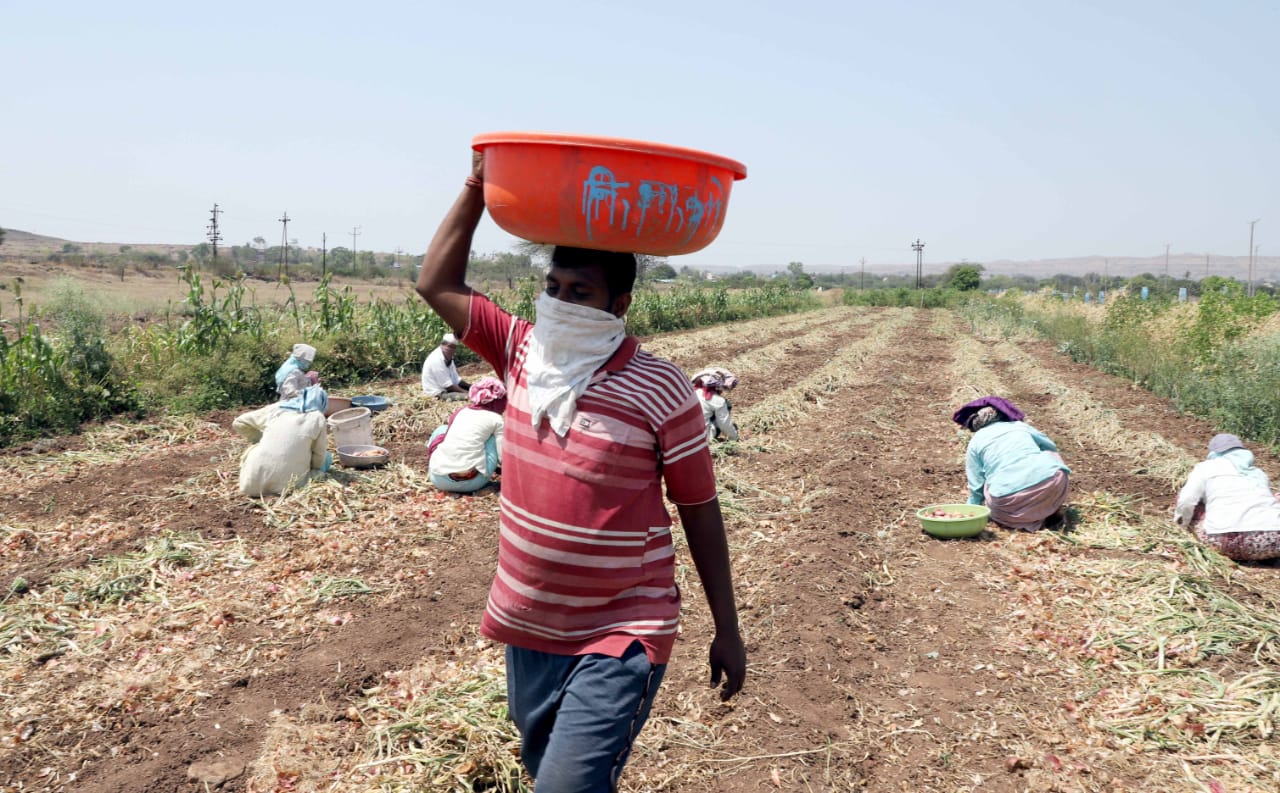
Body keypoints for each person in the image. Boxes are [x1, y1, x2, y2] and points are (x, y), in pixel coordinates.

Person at [414, 150, 746, 792]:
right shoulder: (520, 354)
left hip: (623, 627)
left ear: (618, 303)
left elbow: (700, 510)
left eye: (582, 293)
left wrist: (727, 628)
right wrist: (478, 187)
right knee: (549, 772)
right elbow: (437, 282)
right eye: (554, 289)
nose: (562, 303)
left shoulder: (661, 389)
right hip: (529, 622)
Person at [953, 395, 1070, 531]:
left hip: (1008, 502)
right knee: (1051, 455)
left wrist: (970, 511)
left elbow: (976, 486)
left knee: (988, 482)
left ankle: (1023, 518)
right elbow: (1050, 446)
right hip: (1052, 485)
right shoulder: (1019, 427)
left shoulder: (975, 442)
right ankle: (1049, 510)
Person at [1174, 433, 1280, 561]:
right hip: (1273, 541)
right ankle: (1266, 556)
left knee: (1185, 498)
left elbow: (1186, 500)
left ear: (1214, 453)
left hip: (1223, 541)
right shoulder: (1258, 473)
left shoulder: (1205, 468)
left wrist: (1181, 526)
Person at [232, 384, 331, 497]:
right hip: (289, 485)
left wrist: (259, 439)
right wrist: (316, 470)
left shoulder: (276, 409)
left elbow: (239, 423)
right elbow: (319, 455)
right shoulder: (317, 417)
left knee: (254, 451)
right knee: (327, 458)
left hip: (250, 485)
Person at [427, 376, 506, 493]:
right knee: (492, 437)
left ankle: (439, 465)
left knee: (442, 430)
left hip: (437, 479)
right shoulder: (497, 419)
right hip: (470, 483)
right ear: (498, 401)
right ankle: (473, 475)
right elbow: (502, 459)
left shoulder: (460, 412)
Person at [691, 366, 740, 442]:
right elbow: (725, 424)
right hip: (703, 439)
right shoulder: (718, 401)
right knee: (727, 406)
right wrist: (735, 438)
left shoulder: (690, 394)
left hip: (684, 436)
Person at [421, 333, 471, 400]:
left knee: (472, 390)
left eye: (454, 347)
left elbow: (456, 380)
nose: (451, 350)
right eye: (449, 346)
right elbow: (448, 386)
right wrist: (468, 393)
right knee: (468, 397)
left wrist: (471, 387)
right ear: (442, 345)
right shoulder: (436, 359)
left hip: (446, 388)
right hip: (438, 393)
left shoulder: (449, 358)